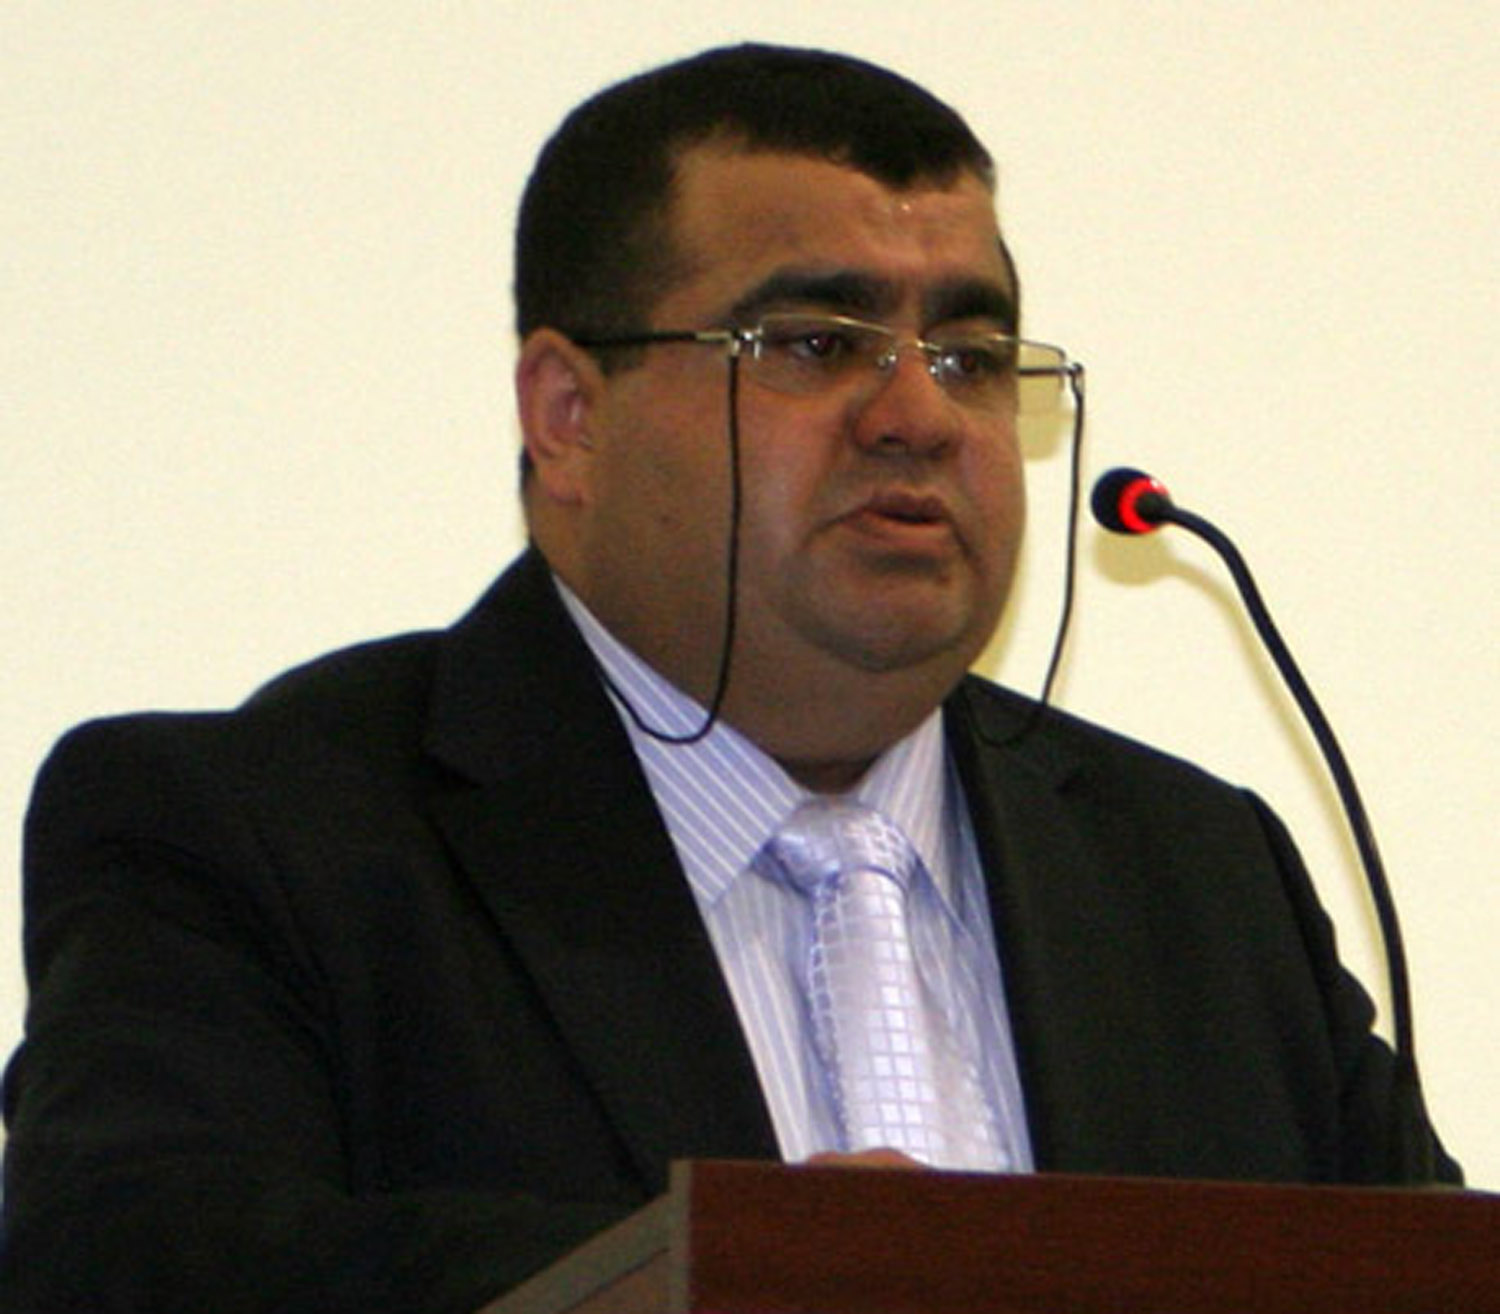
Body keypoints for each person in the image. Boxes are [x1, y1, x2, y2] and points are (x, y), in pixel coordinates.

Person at [0, 42, 1458, 1314]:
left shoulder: (1199, 877)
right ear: (569, 416)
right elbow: (128, 1267)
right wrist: (760, 1269)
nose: (917, 414)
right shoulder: (259, 830)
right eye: (815, 344)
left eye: (971, 354)